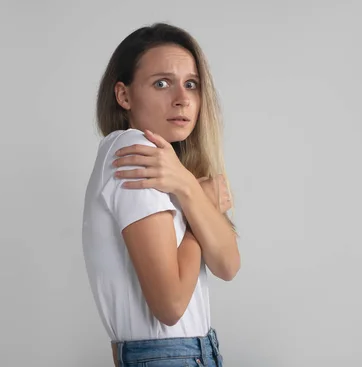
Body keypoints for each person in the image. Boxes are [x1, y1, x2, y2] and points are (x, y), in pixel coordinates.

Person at [81, 22, 240, 367]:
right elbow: (169, 305)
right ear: (124, 95)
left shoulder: (171, 168)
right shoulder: (136, 149)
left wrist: (187, 187)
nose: (182, 99)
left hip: (191, 352)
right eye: (162, 83)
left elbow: (228, 265)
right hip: (169, 357)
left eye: (192, 84)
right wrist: (199, 204)